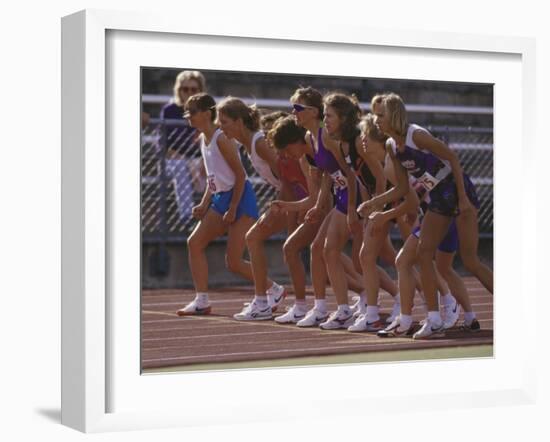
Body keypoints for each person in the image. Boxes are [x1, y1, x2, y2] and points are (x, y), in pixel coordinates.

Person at [359, 93, 492, 339]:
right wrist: (373, 203)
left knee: (471, 260)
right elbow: (401, 189)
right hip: (438, 197)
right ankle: (434, 319)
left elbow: (452, 158)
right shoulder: (391, 145)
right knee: (422, 254)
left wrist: (463, 199)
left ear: (394, 115)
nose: (376, 120)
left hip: (456, 189)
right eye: (375, 115)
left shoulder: (416, 135)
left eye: (381, 115)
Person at [175, 94, 259, 316]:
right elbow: (214, 179)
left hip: (239, 197)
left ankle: (272, 289)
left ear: (206, 113)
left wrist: (233, 207)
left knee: (233, 261)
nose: (188, 117)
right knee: (194, 243)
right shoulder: (203, 138)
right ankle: (201, 300)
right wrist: (204, 204)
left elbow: (240, 176)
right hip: (221, 197)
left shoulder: (221, 138)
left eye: (192, 111)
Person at [216, 97, 287, 321]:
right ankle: (267, 297)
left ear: (238, 122)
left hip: (298, 198)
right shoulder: (248, 146)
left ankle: (264, 301)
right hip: (291, 198)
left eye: (224, 121)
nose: (220, 126)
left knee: (255, 238)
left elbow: (287, 175)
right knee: (321, 250)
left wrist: (281, 204)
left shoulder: (259, 142)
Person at [159, 70, 207, 222]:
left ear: (200, 91)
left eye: (194, 89)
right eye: (185, 89)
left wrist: (203, 162)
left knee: (216, 167)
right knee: (181, 167)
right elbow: (163, 146)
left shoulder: (206, 112)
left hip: (199, 160)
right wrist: (188, 162)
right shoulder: (169, 111)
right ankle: (187, 218)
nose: (189, 93)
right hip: (172, 160)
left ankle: (216, 220)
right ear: (178, 90)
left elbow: (211, 143)